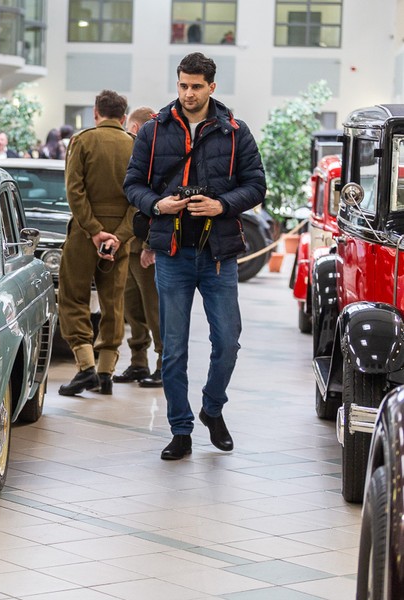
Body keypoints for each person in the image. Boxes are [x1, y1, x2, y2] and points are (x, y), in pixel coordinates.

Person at [123, 52, 266, 460]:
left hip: (219, 254)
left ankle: (212, 408)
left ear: (211, 87)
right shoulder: (154, 130)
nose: (188, 93)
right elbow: (132, 184)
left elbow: (256, 185)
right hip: (172, 254)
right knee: (173, 349)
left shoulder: (235, 131)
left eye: (196, 86)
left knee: (228, 342)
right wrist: (158, 205)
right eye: (183, 85)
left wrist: (222, 204)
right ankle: (180, 429)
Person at [57, 90, 135, 397]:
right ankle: (106, 373)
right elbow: (139, 197)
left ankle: (86, 366)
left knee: (73, 297)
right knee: (114, 302)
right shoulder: (135, 145)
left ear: (95, 113)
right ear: (124, 117)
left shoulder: (83, 141)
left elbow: (74, 190)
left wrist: (93, 230)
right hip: (120, 236)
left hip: (84, 233)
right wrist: (120, 235)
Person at [113, 106, 163, 388]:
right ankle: (138, 362)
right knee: (133, 310)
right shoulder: (136, 152)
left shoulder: (153, 155)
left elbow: (149, 201)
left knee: (155, 310)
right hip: (129, 246)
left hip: (145, 245)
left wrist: (149, 244)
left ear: (134, 128)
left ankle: (164, 364)